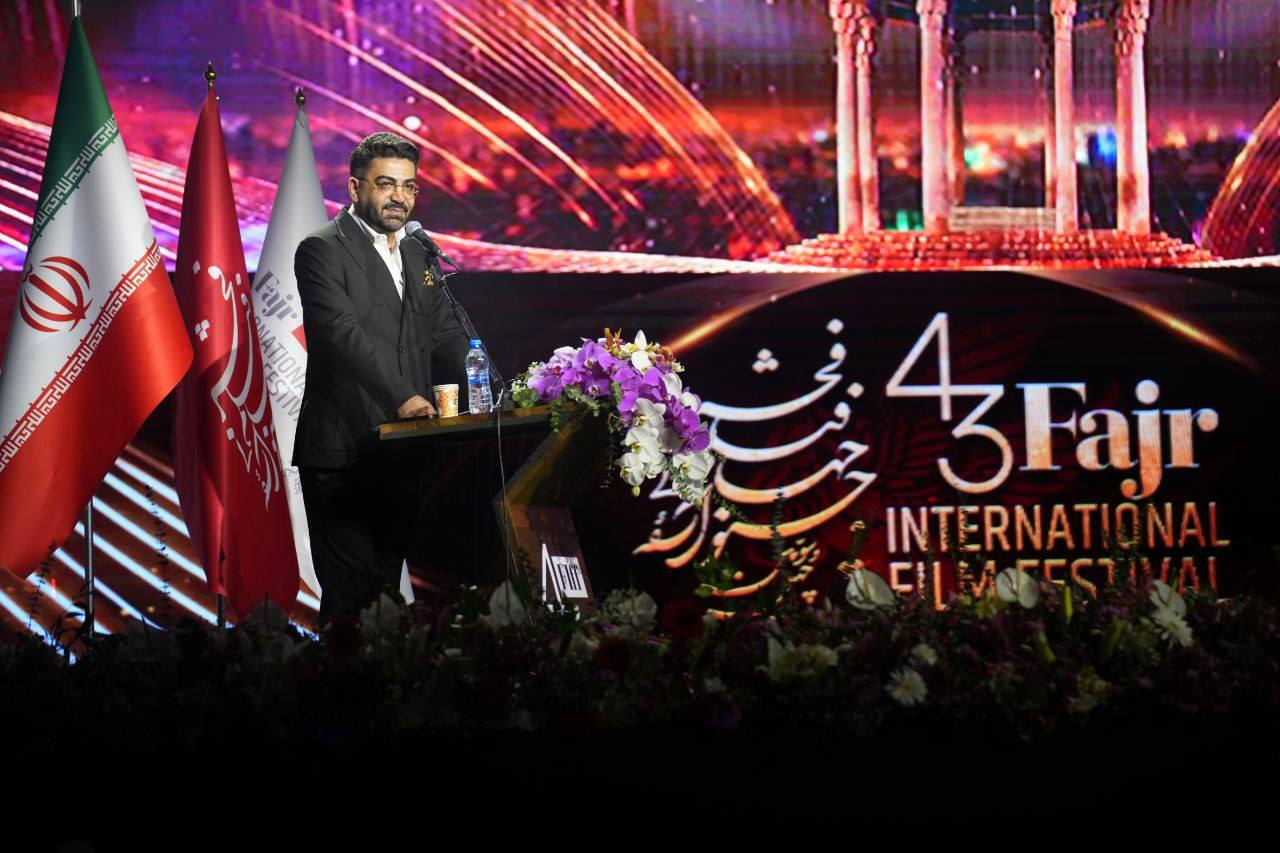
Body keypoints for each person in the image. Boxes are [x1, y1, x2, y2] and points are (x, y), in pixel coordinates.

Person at [293, 132, 470, 623]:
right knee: (350, 599)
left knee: (385, 598)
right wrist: (403, 398)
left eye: (409, 186)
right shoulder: (321, 249)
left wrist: (493, 386)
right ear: (355, 187)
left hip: (403, 449)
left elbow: (445, 332)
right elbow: (341, 334)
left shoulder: (418, 252)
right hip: (344, 449)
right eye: (386, 184)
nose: (399, 197)